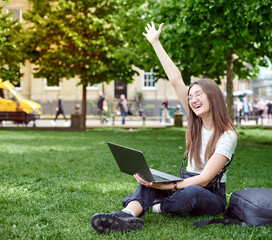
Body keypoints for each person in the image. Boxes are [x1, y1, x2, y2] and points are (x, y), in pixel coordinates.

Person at [90, 22, 238, 234]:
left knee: (190, 193)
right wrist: (156, 43)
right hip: (185, 180)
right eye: (190, 95)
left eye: (199, 94)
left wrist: (165, 187)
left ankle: (153, 205)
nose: (192, 99)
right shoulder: (195, 120)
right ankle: (125, 215)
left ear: (213, 98)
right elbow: (176, 79)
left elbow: (204, 179)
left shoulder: (228, 135)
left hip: (210, 194)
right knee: (150, 181)